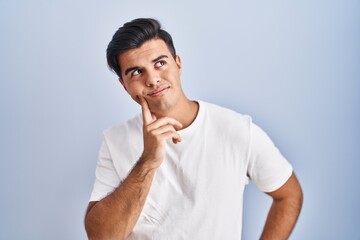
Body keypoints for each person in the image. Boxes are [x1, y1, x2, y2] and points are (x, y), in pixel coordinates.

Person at [84, 18, 303, 240]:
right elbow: (101, 236)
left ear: (178, 63)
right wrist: (148, 162)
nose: (153, 79)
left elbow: (289, 195)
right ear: (124, 85)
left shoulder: (236, 129)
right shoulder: (115, 141)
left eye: (160, 63)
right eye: (136, 72)